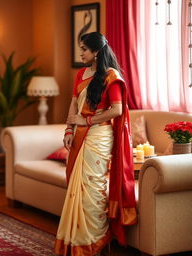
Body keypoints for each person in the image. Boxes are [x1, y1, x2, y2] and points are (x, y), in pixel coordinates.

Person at [54, 32, 137, 256]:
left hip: (99, 135)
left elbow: (117, 110)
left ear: (96, 51)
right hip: (80, 133)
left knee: (92, 186)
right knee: (77, 187)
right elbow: (73, 104)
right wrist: (69, 128)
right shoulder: (81, 73)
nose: (80, 53)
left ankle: (96, 240)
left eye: (84, 49)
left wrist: (87, 120)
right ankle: (77, 240)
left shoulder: (111, 76)